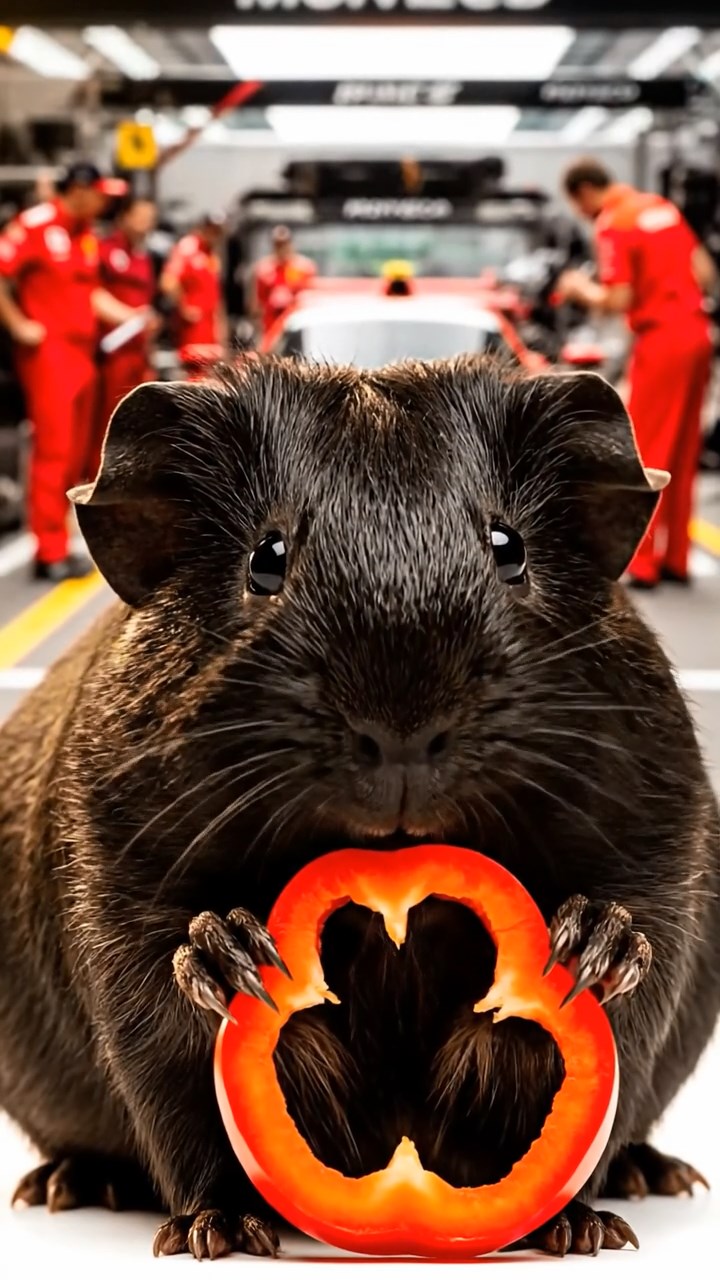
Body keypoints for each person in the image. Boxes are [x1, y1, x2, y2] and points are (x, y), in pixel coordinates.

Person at [557, 158, 716, 590]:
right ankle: (676, 558)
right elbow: (705, 272)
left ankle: (643, 561)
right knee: (684, 449)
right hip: (698, 334)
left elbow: (618, 298)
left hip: (661, 339)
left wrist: (578, 288)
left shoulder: (613, 222)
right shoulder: (660, 207)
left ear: (584, 192)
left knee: (646, 450)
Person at [0, 161, 149, 582]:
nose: (105, 201)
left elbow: (90, 294)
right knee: (52, 452)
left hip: (83, 356)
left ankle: (61, 540)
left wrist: (129, 315)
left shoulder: (84, 236)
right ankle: (48, 551)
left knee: (77, 455)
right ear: (79, 190)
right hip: (49, 358)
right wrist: (19, 325)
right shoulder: (36, 225)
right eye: (100, 193)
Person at [93, 196, 158, 478]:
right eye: (141, 217)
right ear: (125, 217)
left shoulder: (144, 258)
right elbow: (92, 294)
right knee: (107, 419)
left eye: (150, 218)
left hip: (137, 352)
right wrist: (128, 315)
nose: (146, 225)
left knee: (138, 419)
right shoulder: (103, 251)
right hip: (110, 352)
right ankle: (97, 478)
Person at [159, 212, 228, 353]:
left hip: (210, 329)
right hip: (192, 329)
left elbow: (216, 296)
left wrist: (221, 329)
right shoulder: (188, 246)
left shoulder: (212, 255)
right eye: (211, 229)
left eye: (217, 231)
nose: (214, 234)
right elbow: (168, 281)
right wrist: (184, 307)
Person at [251, 225, 316, 339]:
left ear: (290, 243)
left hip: (297, 326)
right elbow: (257, 305)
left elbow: (311, 301)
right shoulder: (264, 269)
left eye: (284, 243)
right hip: (271, 327)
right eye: (278, 244)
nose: (282, 248)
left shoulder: (304, 268)